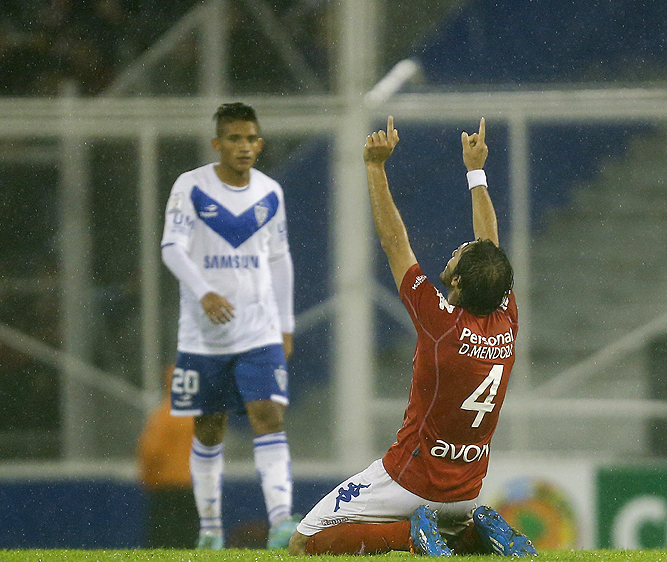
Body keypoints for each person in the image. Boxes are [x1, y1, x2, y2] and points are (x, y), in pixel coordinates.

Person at [288, 117, 535, 557]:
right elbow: (489, 245)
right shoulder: (506, 317)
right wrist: (475, 172)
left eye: (458, 254)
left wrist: (374, 167)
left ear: (456, 283)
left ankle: (411, 539)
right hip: (466, 490)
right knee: (452, 524)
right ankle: (473, 535)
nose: (457, 248)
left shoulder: (441, 324)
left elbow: (394, 241)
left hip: (409, 478)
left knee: (304, 543)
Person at [160, 102, 297, 550]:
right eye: (234, 139)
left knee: (269, 416)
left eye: (250, 138)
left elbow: (279, 259)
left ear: (260, 143)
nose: (243, 146)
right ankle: (211, 530)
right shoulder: (191, 187)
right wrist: (204, 291)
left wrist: (286, 323)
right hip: (203, 336)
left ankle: (280, 521)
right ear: (217, 144)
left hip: (258, 333)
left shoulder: (270, 193)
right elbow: (172, 249)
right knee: (209, 427)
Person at [136, 364, 198, 548]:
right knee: (188, 541)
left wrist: (147, 478)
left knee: (164, 542)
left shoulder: (163, 414)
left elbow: (150, 451)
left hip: (165, 487)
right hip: (192, 487)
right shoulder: (197, 415)